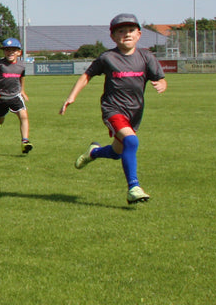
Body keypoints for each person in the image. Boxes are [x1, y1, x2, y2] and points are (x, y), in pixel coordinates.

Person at [60, 13, 168, 205]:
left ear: (139, 34)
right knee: (132, 142)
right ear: (112, 36)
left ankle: (93, 153)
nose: (126, 34)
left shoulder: (146, 57)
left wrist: (162, 84)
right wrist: (71, 96)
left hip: (134, 112)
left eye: (131, 30)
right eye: (121, 31)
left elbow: (160, 78)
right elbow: (87, 76)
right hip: (113, 110)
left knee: (118, 152)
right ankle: (133, 188)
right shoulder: (107, 58)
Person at [0, 37, 32, 153]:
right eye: (7, 50)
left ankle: (25, 142)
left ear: (19, 52)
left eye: (13, 50)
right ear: (4, 52)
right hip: (1, 98)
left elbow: (22, 77)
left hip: (15, 96)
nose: (10, 52)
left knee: (23, 116)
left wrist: (22, 91)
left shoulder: (21, 65)